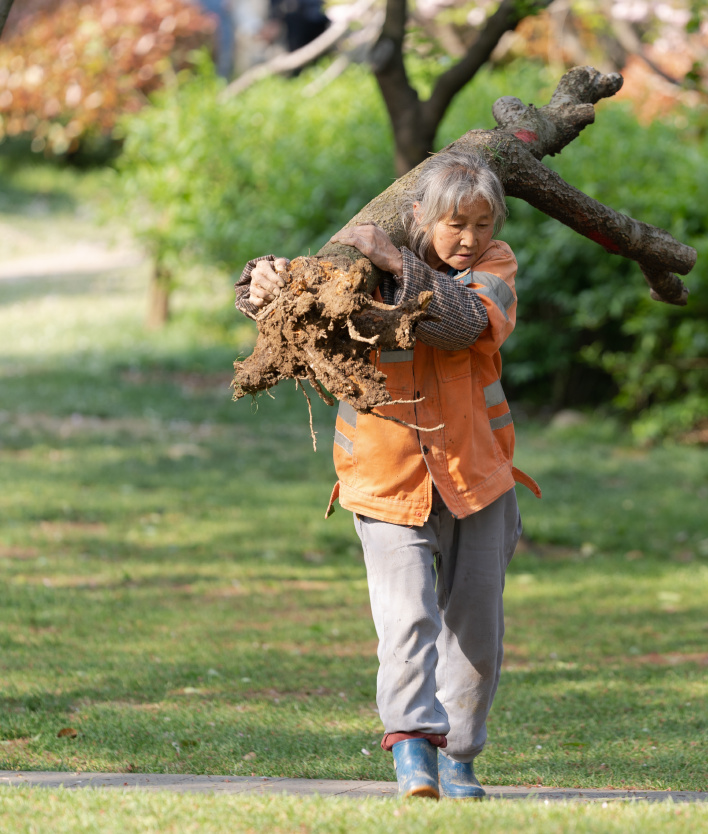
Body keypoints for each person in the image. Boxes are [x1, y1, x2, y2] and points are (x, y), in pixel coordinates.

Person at [233, 151, 539, 800]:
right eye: (455, 224)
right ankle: (412, 753)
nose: (470, 239)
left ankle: (458, 757)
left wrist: (403, 263)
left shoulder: (495, 268)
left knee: (477, 632)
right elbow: (300, 298)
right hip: (385, 480)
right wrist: (261, 282)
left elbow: (463, 325)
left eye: (483, 224)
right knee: (406, 621)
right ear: (419, 218)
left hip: (478, 480)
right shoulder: (362, 271)